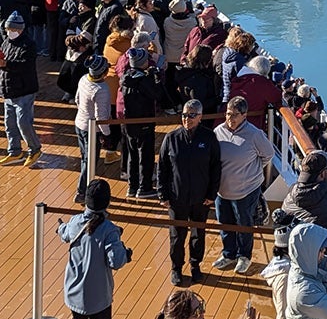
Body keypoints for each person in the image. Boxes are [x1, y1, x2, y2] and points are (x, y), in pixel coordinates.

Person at [54, 179, 131, 319]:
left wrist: (60, 227)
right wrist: (126, 252)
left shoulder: (76, 221)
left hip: (75, 292)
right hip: (98, 299)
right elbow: (116, 261)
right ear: (107, 203)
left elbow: (64, 233)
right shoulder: (109, 230)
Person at [157, 98, 221, 286]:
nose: (187, 119)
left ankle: (195, 265)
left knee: (198, 233)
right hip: (177, 197)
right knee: (177, 236)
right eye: (184, 115)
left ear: (200, 117)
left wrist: (212, 194)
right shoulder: (171, 138)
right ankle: (176, 268)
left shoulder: (209, 138)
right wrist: (163, 194)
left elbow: (216, 167)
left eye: (192, 115)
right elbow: (162, 168)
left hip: (201, 197)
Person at [213, 95, 274, 274]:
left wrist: (252, 171)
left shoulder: (255, 134)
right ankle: (228, 254)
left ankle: (244, 256)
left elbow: (268, 154)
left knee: (244, 225)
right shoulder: (218, 131)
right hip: (222, 190)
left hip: (246, 191)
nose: (229, 118)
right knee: (224, 223)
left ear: (244, 115)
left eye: (234, 115)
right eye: (228, 113)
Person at [115, 36, 163, 197]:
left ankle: (132, 186)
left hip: (129, 120)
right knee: (146, 154)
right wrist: (156, 78)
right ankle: (144, 187)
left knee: (132, 154)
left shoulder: (126, 78)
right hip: (144, 120)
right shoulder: (143, 80)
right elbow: (157, 94)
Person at [0, 10, 42, 167]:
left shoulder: (29, 45)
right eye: (8, 29)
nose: (10, 32)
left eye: (13, 29)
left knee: (24, 122)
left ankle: (34, 149)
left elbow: (24, 66)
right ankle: (14, 151)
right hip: (9, 89)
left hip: (24, 89)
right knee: (9, 123)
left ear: (20, 29)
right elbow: (5, 60)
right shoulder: (6, 42)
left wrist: (5, 64)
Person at [74, 54, 114, 204]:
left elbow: (77, 99)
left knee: (84, 158)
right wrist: (107, 134)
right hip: (91, 130)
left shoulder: (83, 79)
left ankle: (84, 189)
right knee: (89, 161)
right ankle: (82, 192)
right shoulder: (101, 89)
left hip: (80, 123)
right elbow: (100, 116)